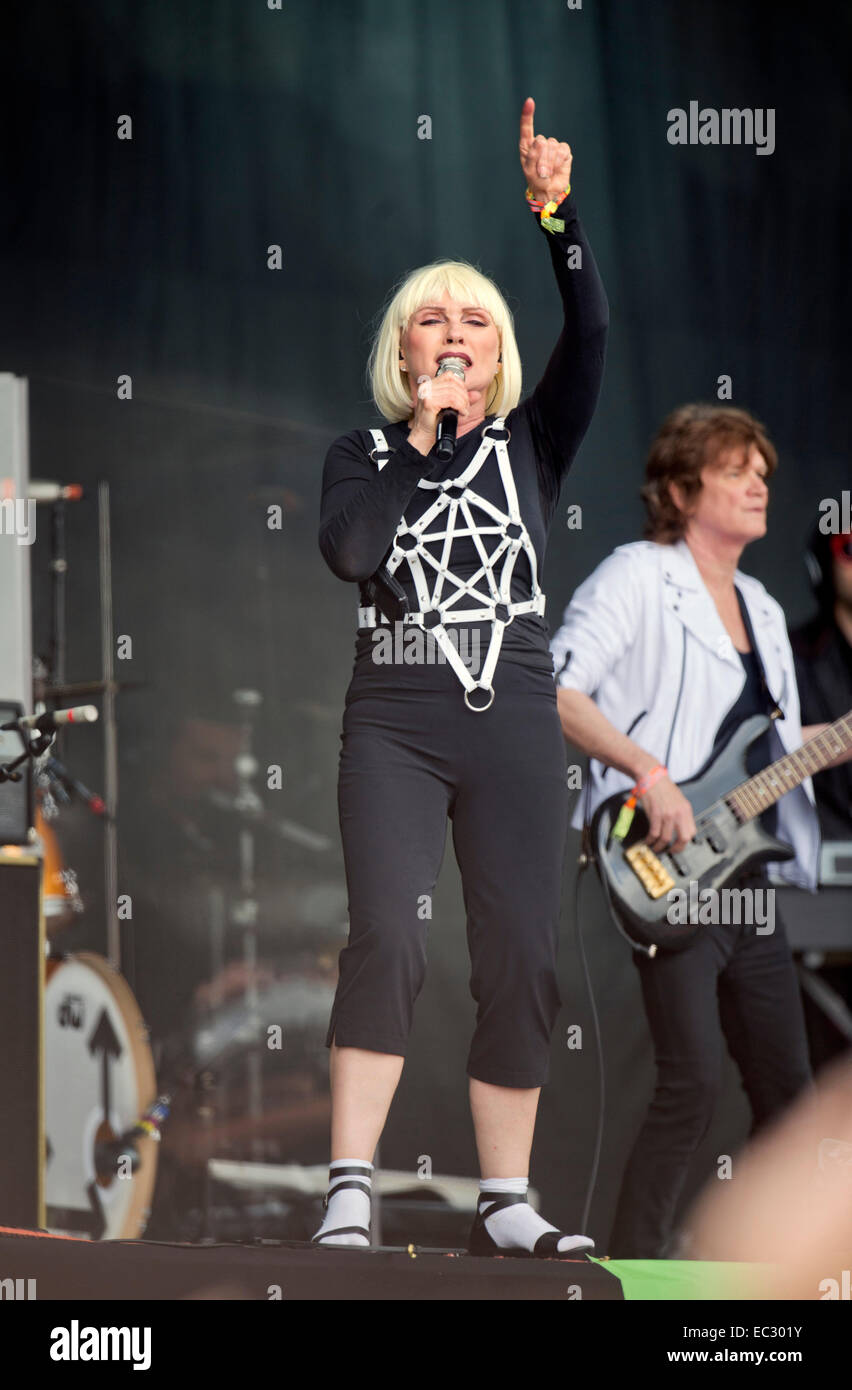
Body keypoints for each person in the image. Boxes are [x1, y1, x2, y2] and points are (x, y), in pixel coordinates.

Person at [314, 97, 608, 1256]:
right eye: (427, 322)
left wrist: (555, 212)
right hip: (394, 711)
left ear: (498, 351)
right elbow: (351, 552)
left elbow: (592, 332)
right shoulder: (365, 453)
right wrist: (423, 440)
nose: (450, 335)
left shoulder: (536, 445)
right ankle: (349, 1185)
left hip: (516, 715)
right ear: (402, 353)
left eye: (471, 324)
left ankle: (507, 1199)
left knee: (524, 950)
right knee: (387, 935)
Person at [550, 403, 852, 1259]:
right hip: (664, 859)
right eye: (735, 471)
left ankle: (774, 1267)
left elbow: (771, 747)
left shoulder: (761, 607)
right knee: (688, 1083)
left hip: (748, 881)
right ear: (683, 490)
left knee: (789, 1094)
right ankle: (635, 1269)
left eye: (763, 473)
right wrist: (649, 775)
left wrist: (829, 746)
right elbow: (559, 690)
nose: (760, 484)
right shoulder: (635, 577)